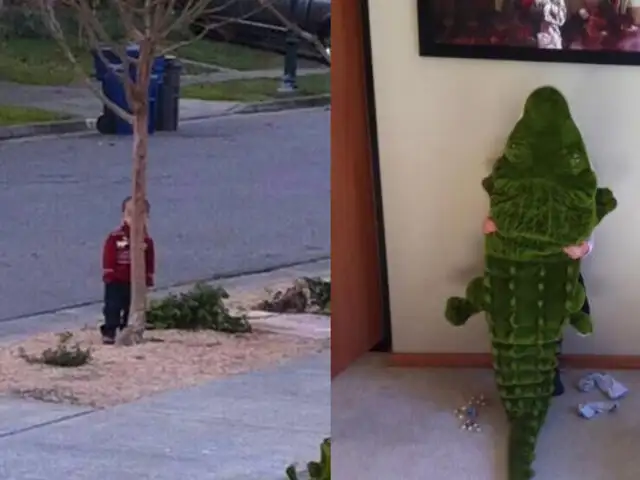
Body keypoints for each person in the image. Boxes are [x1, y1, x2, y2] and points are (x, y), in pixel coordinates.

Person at [482, 216, 592, 396]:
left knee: (552, 324)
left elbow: (588, 218)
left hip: (557, 267)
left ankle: (549, 376)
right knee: (519, 322)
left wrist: (584, 248)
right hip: (520, 266)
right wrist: (493, 224)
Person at [100, 196, 155, 344]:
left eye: (140, 215)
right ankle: (109, 331)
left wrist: (148, 278)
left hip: (135, 281)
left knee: (131, 306)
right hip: (116, 280)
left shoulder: (146, 241)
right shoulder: (116, 237)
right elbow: (109, 255)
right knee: (112, 306)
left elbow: (150, 260)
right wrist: (109, 273)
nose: (134, 219)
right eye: (130, 214)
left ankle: (127, 329)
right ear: (123, 216)